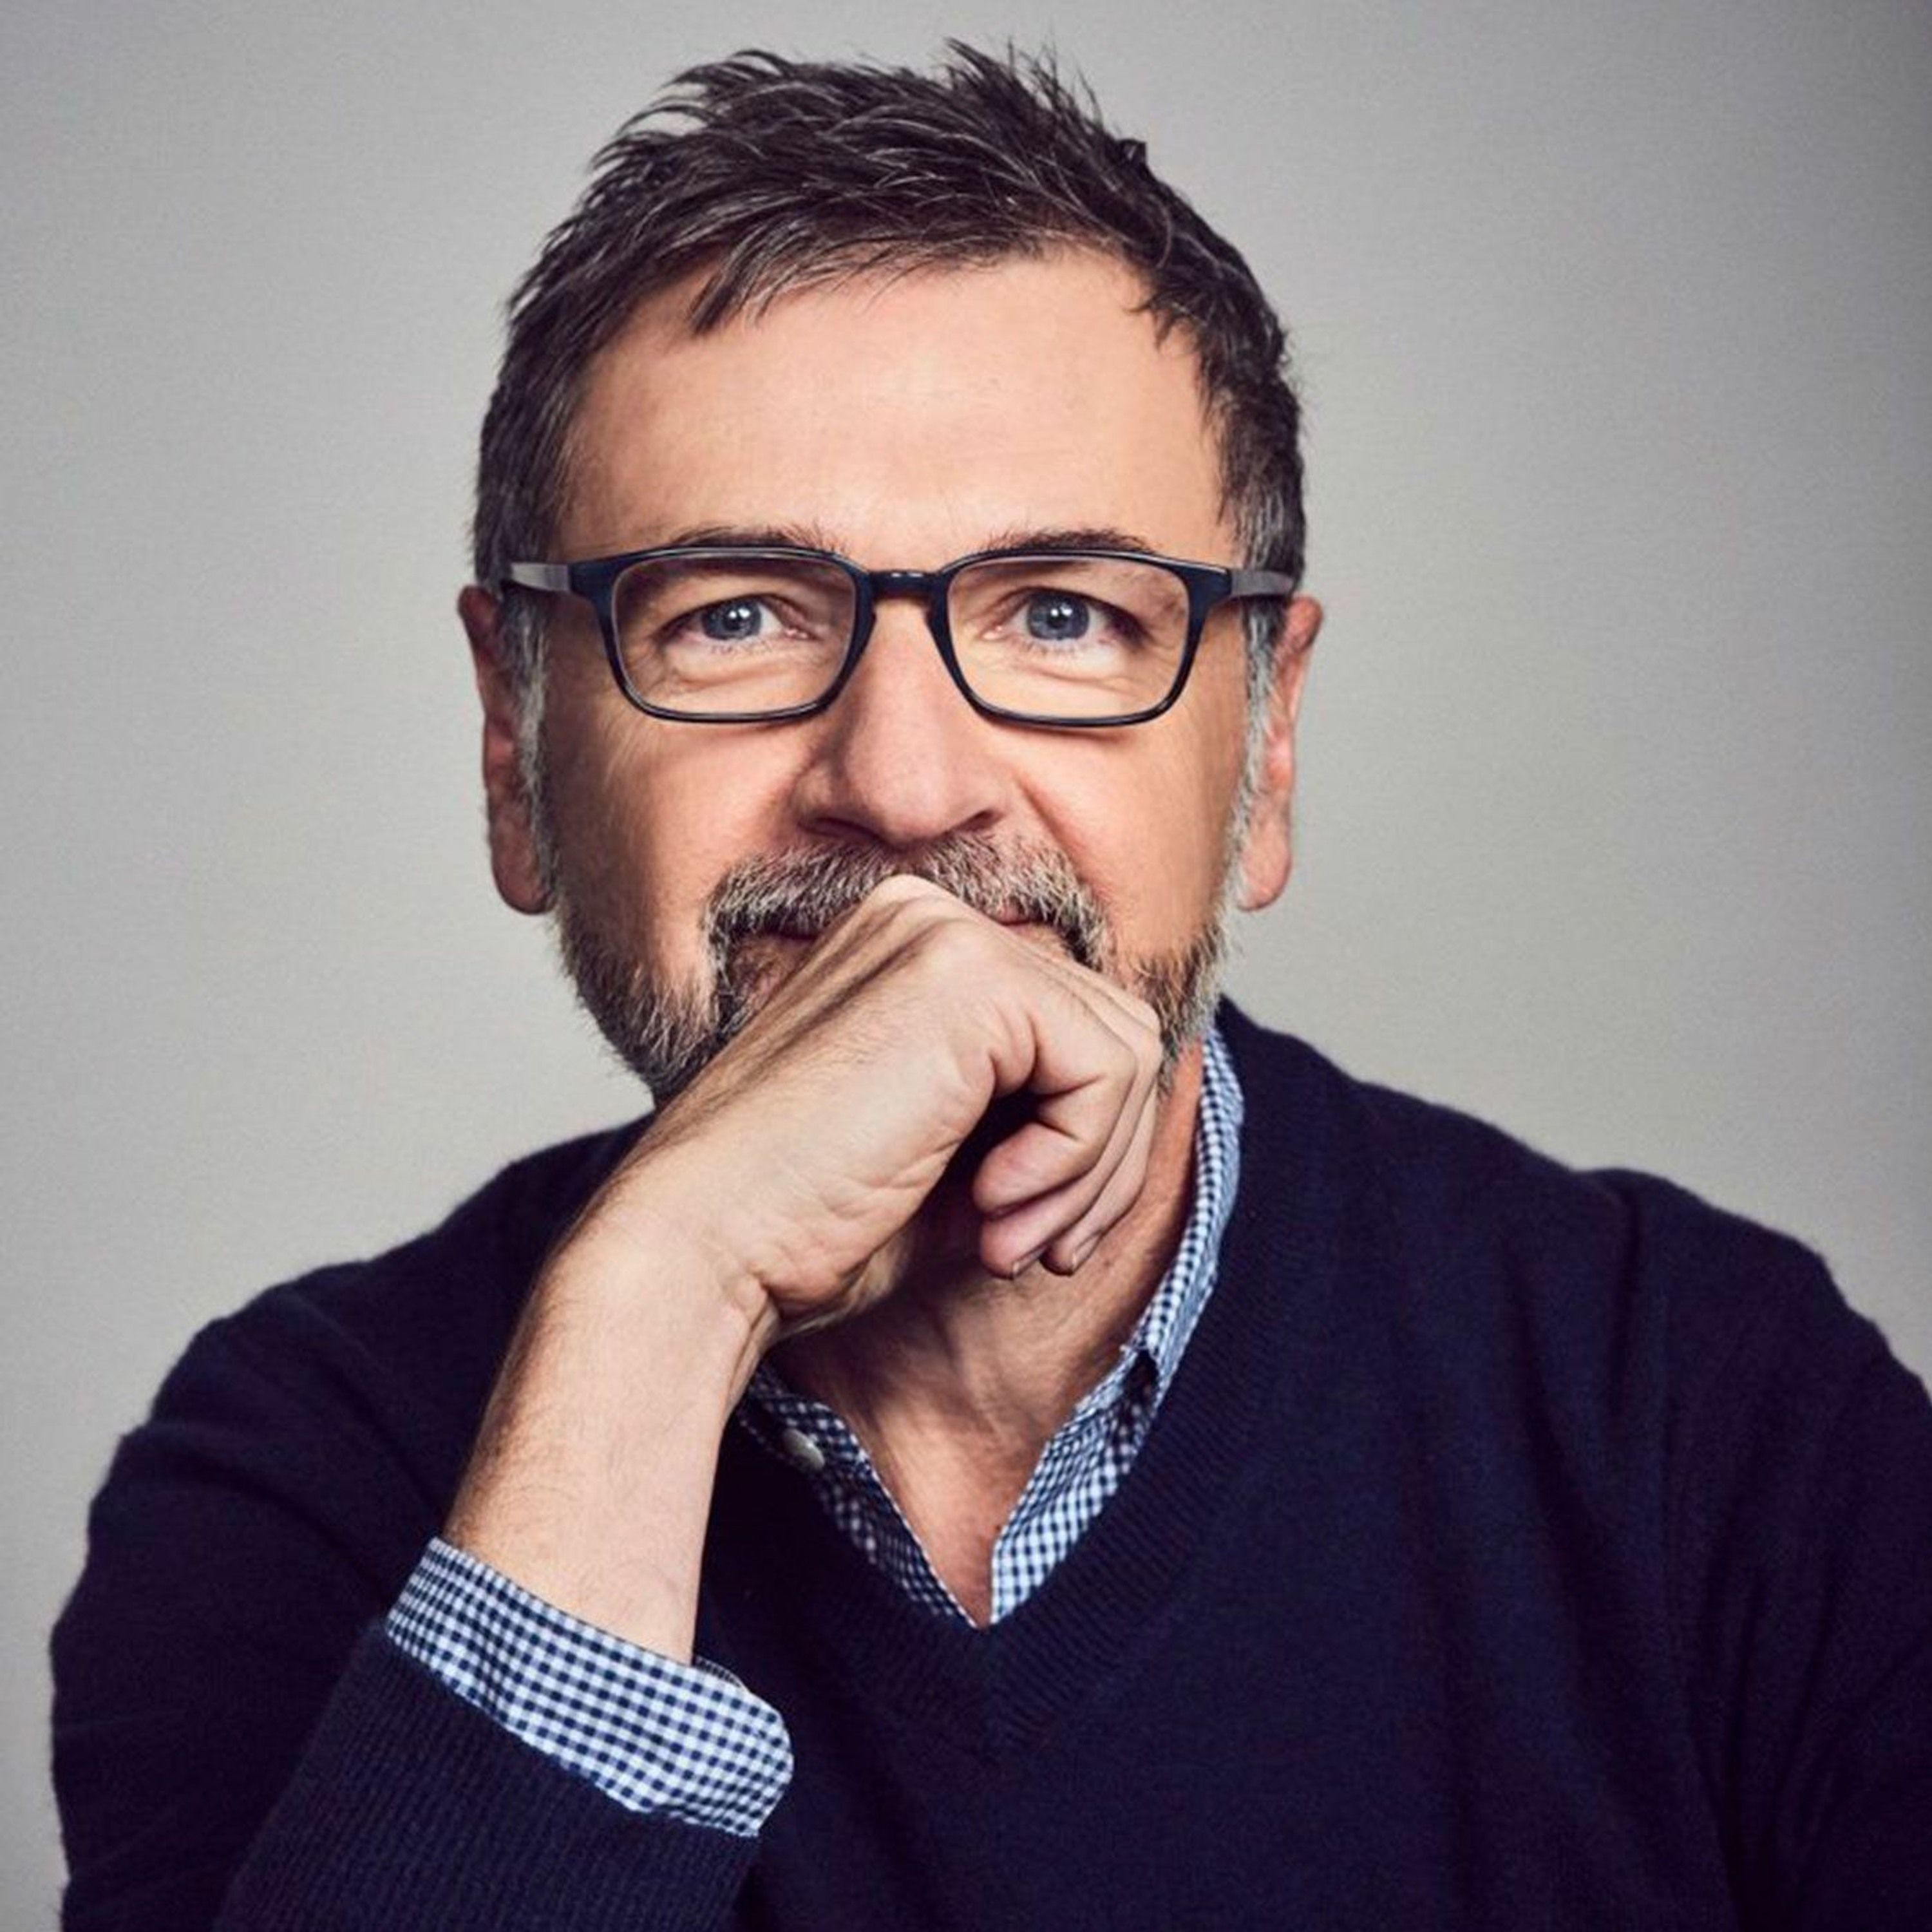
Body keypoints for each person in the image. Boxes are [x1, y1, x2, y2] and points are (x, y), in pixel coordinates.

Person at [51, 43, 1932, 1932]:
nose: (903, 785)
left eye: (1062, 616)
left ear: (1268, 744)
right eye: (732, 616)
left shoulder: (1711, 1417)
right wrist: (661, 1303)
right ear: (512, 746)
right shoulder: (295, 1480)